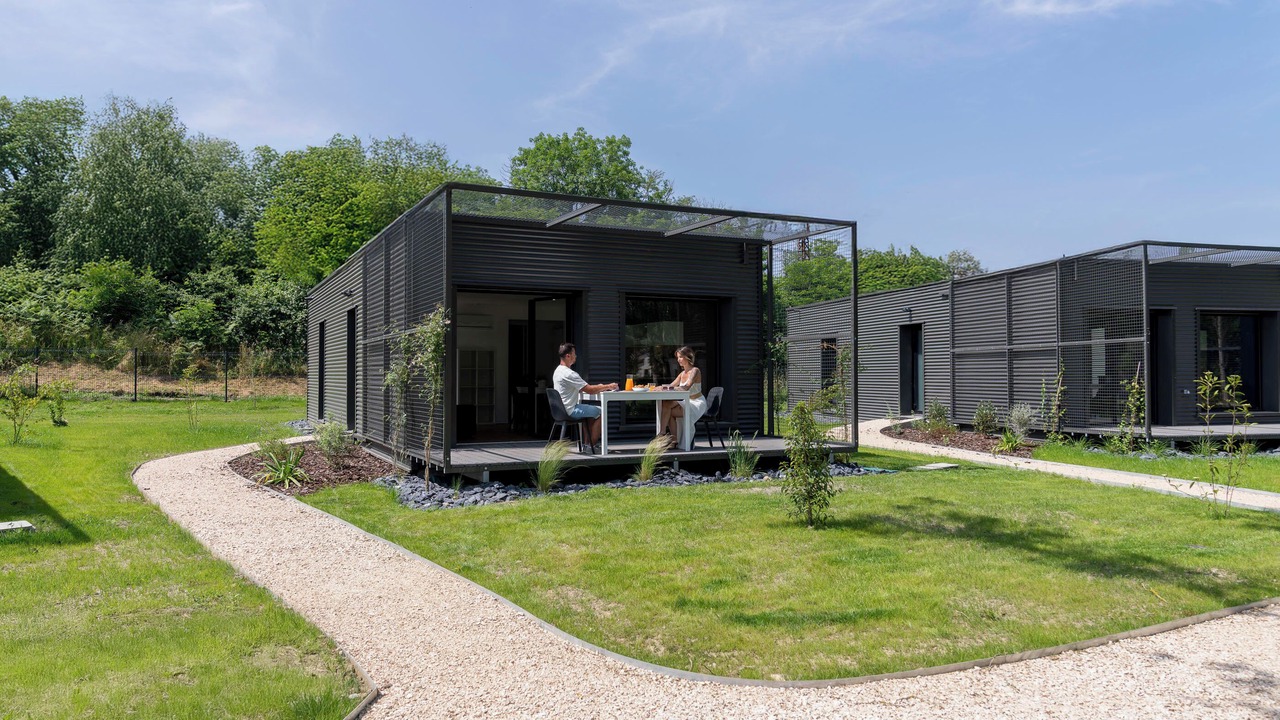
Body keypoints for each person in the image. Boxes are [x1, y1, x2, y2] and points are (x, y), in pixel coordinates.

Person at [552, 342, 618, 453]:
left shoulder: (557, 371)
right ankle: (590, 446)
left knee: (590, 412)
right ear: (568, 356)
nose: (576, 356)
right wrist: (608, 386)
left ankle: (588, 445)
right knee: (601, 412)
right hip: (570, 410)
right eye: (574, 354)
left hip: (560, 410)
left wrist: (599, 387)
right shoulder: (569, 374)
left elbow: (581, 388)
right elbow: (590, 390)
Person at [658, 346, 707, 446]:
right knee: (666, 404)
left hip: (697, 402)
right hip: (686, 401)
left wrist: (667, 388)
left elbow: (686, 387)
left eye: (680, 357)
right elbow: (671, 385)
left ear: (688, 357)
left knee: (668, 409)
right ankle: (665, 435)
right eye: (677, 358)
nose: (678, 360)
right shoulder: (682, 373)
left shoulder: (695, 371)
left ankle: (669, 437)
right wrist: (658, 387)